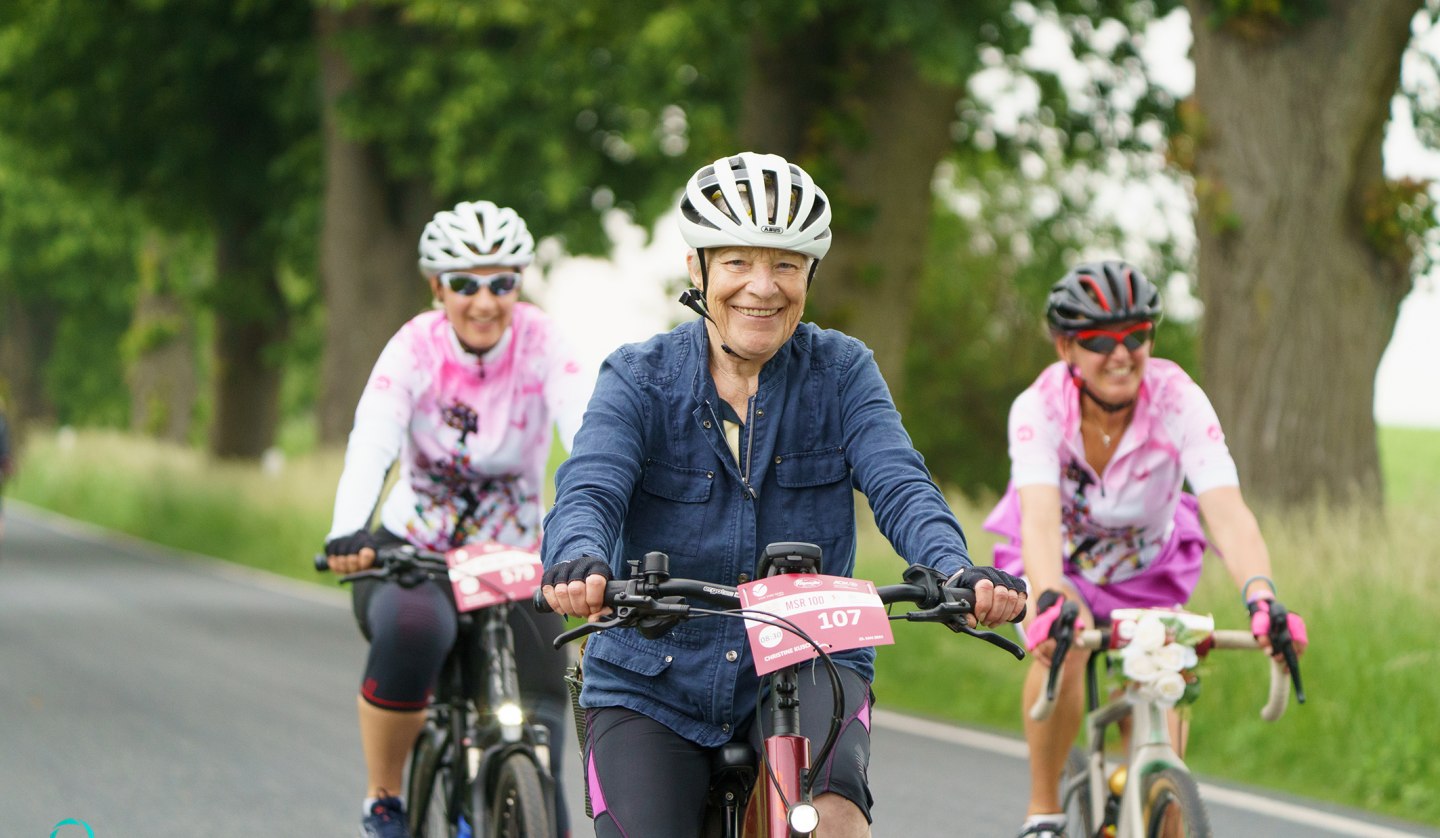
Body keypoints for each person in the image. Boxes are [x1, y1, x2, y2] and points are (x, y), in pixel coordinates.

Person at [538, 151, 1028, 838]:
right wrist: (580, 561)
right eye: (737, 262)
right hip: (652, 676)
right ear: (698, 270)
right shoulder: (637, 378)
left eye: (786, 265)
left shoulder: (844, 371)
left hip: (810, 656)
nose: (761, 288)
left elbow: (900, 482)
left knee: (829, 823)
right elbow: (589, 487)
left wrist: (953, 567)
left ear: (809, 276)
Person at [982, 260, 1309, 838]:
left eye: (1137, 336)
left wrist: (1262, 598)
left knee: (1164, 687)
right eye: (1100, 340)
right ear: (1066, 347)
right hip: (1059, 563)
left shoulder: (1178, 397)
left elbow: (1227, 511)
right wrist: (1050, 599)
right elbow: (1037, 518)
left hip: (1148, 568)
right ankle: (1044, 811)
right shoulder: (1038, 408)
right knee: (1067, 644)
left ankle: (1154, 791)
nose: (1122, 353)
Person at [322, 199, 590, 838]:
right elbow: (374, 439)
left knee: (541, 724)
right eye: (465, 283)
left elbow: (588, 432)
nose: (484, 300)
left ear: (519, 285)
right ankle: (385, 796)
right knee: (414, 633)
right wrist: (347, 528)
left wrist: (602, 524)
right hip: (416, 553)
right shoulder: (415, 346)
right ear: (437, 287)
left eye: (502, 282)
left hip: (517, 555)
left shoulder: (543, 341)